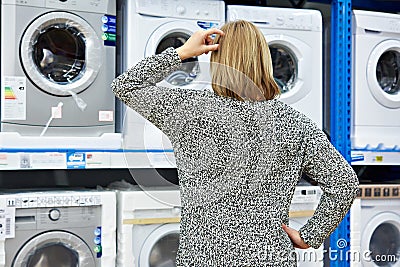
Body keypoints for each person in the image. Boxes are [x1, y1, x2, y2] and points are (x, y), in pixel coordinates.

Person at [112, 20, 359, 267]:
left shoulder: (191, 111)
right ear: (265, 60)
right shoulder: (295, 123)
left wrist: (183, 52)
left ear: (217, 60)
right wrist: (309, 236)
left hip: (203, 259)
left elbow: (126, 85)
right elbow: (344, 183)